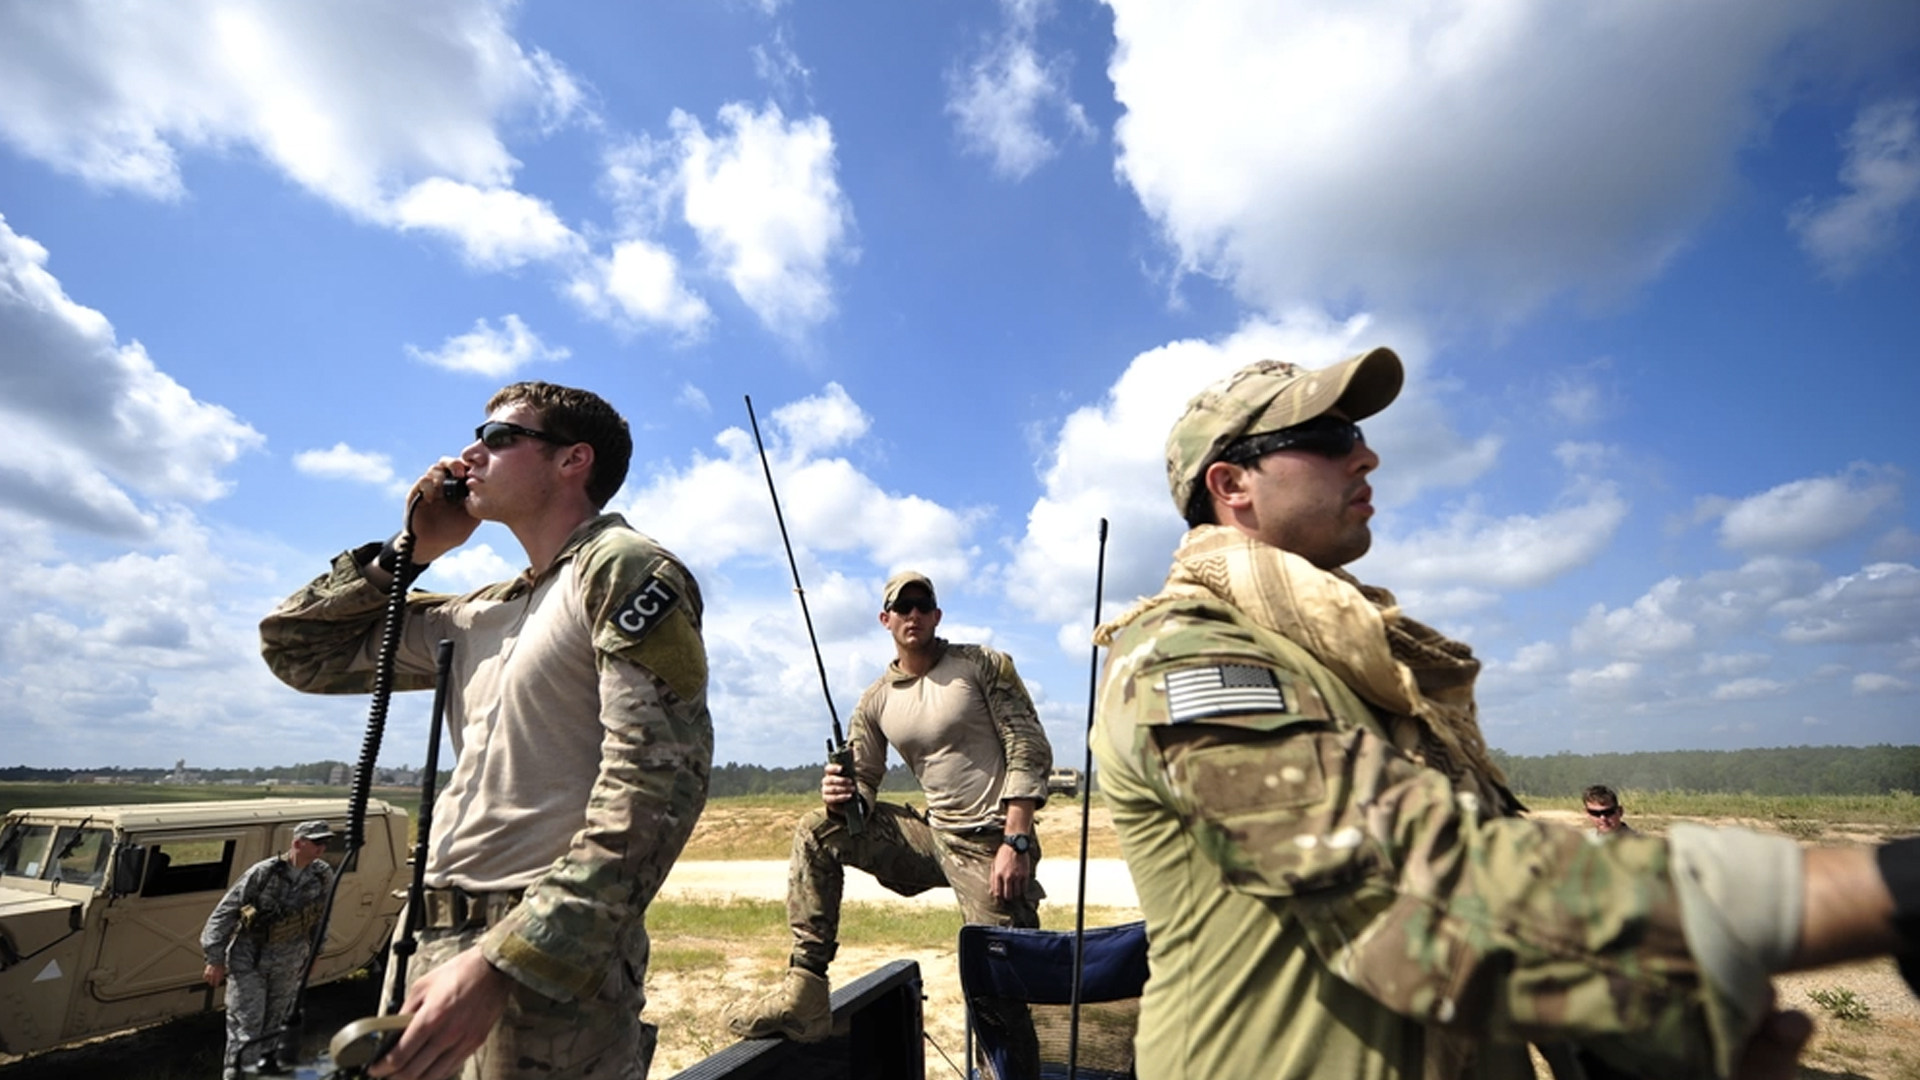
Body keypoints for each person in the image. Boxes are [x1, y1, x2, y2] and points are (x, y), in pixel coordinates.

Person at [1090, 349, 1917, 1080]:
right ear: (1231, 485)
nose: (1368, 453)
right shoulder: (1184, 654)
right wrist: (1873, 892)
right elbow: (1425, 884)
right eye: (1333, 436)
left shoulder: (1363, 661)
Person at [260, 382, 714, 1080]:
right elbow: (298, 651)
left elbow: (657, 785)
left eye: (500, 436)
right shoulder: (480, 612)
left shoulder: (620, 569)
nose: (470, 451)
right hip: (429, 940)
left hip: (541, 953)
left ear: (573, 461)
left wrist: (509, 957)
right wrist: (407, 553)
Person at [726, 571, 1052, 1059]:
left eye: (923, 605)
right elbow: (863, 789)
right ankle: (805, 990)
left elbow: (1027, 745)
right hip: (932, 839)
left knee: (1003, 994)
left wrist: (1017, 841)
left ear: (937, 615)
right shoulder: (877, 699)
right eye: (903, 607)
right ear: (886, 620)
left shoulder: (982, 664)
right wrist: (840, 794)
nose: (913, 614)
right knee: (818, 831)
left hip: (992, 843)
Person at [201, 819, 336, 1080]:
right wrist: (214, 958)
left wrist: (315, 954)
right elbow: (224, 913)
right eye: (317, 842)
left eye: (325, 842)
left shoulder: (322, 875)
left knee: (275, 1027)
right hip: (249, 960)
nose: (323, 847)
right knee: (247, 1029)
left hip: (288, 962)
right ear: (298, 843)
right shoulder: (264, 873)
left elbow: (322, 916)